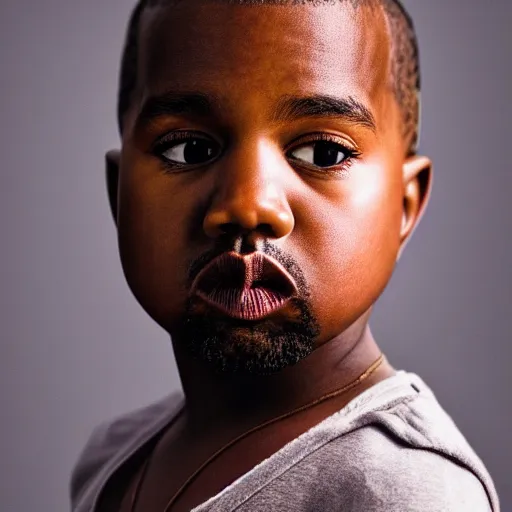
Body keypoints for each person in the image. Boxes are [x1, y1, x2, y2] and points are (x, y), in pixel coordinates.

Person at [69, 0, 500, 510]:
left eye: (324, 153)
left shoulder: (406, 490)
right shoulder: (113, 456)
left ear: (403, 207)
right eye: (188, 149)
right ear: (119, 194)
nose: (248, 205)